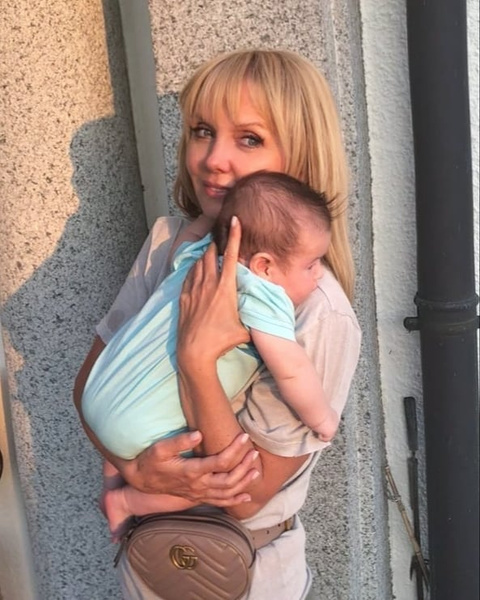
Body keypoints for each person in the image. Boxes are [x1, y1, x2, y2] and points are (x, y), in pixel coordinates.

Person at [73, 48, 361, 600]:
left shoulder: (315, 311)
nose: (213, 159)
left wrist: (196, 361)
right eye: (202, 131)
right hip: (144, 559)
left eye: (249, 139)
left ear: (301, 157)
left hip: (246, 572)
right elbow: (88, 387)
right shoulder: (170, 243)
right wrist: (135, 472)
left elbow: (246, 496)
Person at [81, 171, 338, 540]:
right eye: (311, 264)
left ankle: (111, 478)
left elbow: (186, 238)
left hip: (98, 395)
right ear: (264, 266)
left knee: (132, 421)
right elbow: (291, 369)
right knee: (217, 482)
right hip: (143, 432)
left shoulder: (201, 255)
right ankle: (125, 502)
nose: (318, 274)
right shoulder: (261, 294)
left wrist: (210, 217)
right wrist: (323, 418)